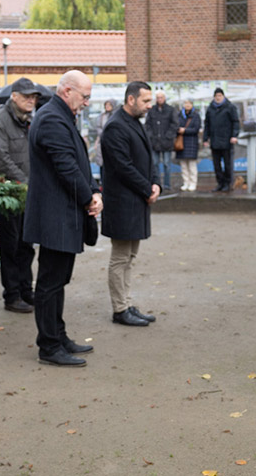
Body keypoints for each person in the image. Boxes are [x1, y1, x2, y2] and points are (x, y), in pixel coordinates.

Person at [24, 70, 101, 367]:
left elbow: (78, 163)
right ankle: (49, 346)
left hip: (62, 214)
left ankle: (58, 334)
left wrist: (94, 190)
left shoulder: (60, 116)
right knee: (50, 282)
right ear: (67, 91)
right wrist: (89, 197)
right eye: (84, 96)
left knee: (58, 279)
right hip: (55, 216)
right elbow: (66, 167)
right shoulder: (52, 119)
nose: (86, 103)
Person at [100, 81, 160, 327]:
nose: (149, 106)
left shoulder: (133, 122)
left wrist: (156, 182)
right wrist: (147, 188)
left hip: (136, 200)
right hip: (123, 202)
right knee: (121, 257)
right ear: (131, 99)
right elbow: (123, 166)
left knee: (130, 256)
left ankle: (126, 303)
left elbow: (147, 157)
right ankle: (120, 308)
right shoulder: (115, 126)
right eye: (145, 101)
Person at [0, 78, 41, 314]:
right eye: (27, 96)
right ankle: (11, 295)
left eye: (34, 97)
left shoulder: (30, 120)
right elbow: (1, 159)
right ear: (14, 97)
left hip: (28, 192)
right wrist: (26, 183)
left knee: (27, 245)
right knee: (10, 245)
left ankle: (25, 289)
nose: (32, 100)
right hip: (10, 192)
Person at [203, 87, 240, 192]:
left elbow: (235, 122)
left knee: (228, 164)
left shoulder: (230, 107)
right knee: (216, 165)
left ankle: (228, 183)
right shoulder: (210, 108)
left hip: (227, 140)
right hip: (214, 141)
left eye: (220, 96)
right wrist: (205, 138)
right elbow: (207, 124)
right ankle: (220, 183)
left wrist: (234, 135)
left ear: (223, 96)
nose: (218, 98)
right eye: (216, 96)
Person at [145, 90, 178, 192]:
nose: (159, 99)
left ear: (164, 98)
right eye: (158, 97)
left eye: (161, 97)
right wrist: (151, 136)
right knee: (155, 164)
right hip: (155, 142)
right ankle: (157, 184)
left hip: (166, 142)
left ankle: (167, 185)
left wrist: (168, 136)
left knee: (167, 164)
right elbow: (148, 124)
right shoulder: (152, 110)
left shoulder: (170, 110)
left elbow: (175, 124)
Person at [175, 99, 201, 191]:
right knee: (183, 165)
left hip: (192, 142)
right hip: (181, 142)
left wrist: (185, 131)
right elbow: (175, 125)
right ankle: (186, 182)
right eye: (186, 103)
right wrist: (178, 130)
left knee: (191, 165)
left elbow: (196, 129)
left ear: (192, 104)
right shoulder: (179, 115)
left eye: (189, 103)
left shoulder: (196, 115)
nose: (187, 105)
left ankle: (193, 183)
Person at [90, 99, 116, 170]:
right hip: (102, 139)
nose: (107, 107)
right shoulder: (102, 116)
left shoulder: (115, 116)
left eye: (109, 105)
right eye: (106, 105)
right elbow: (98, 127)